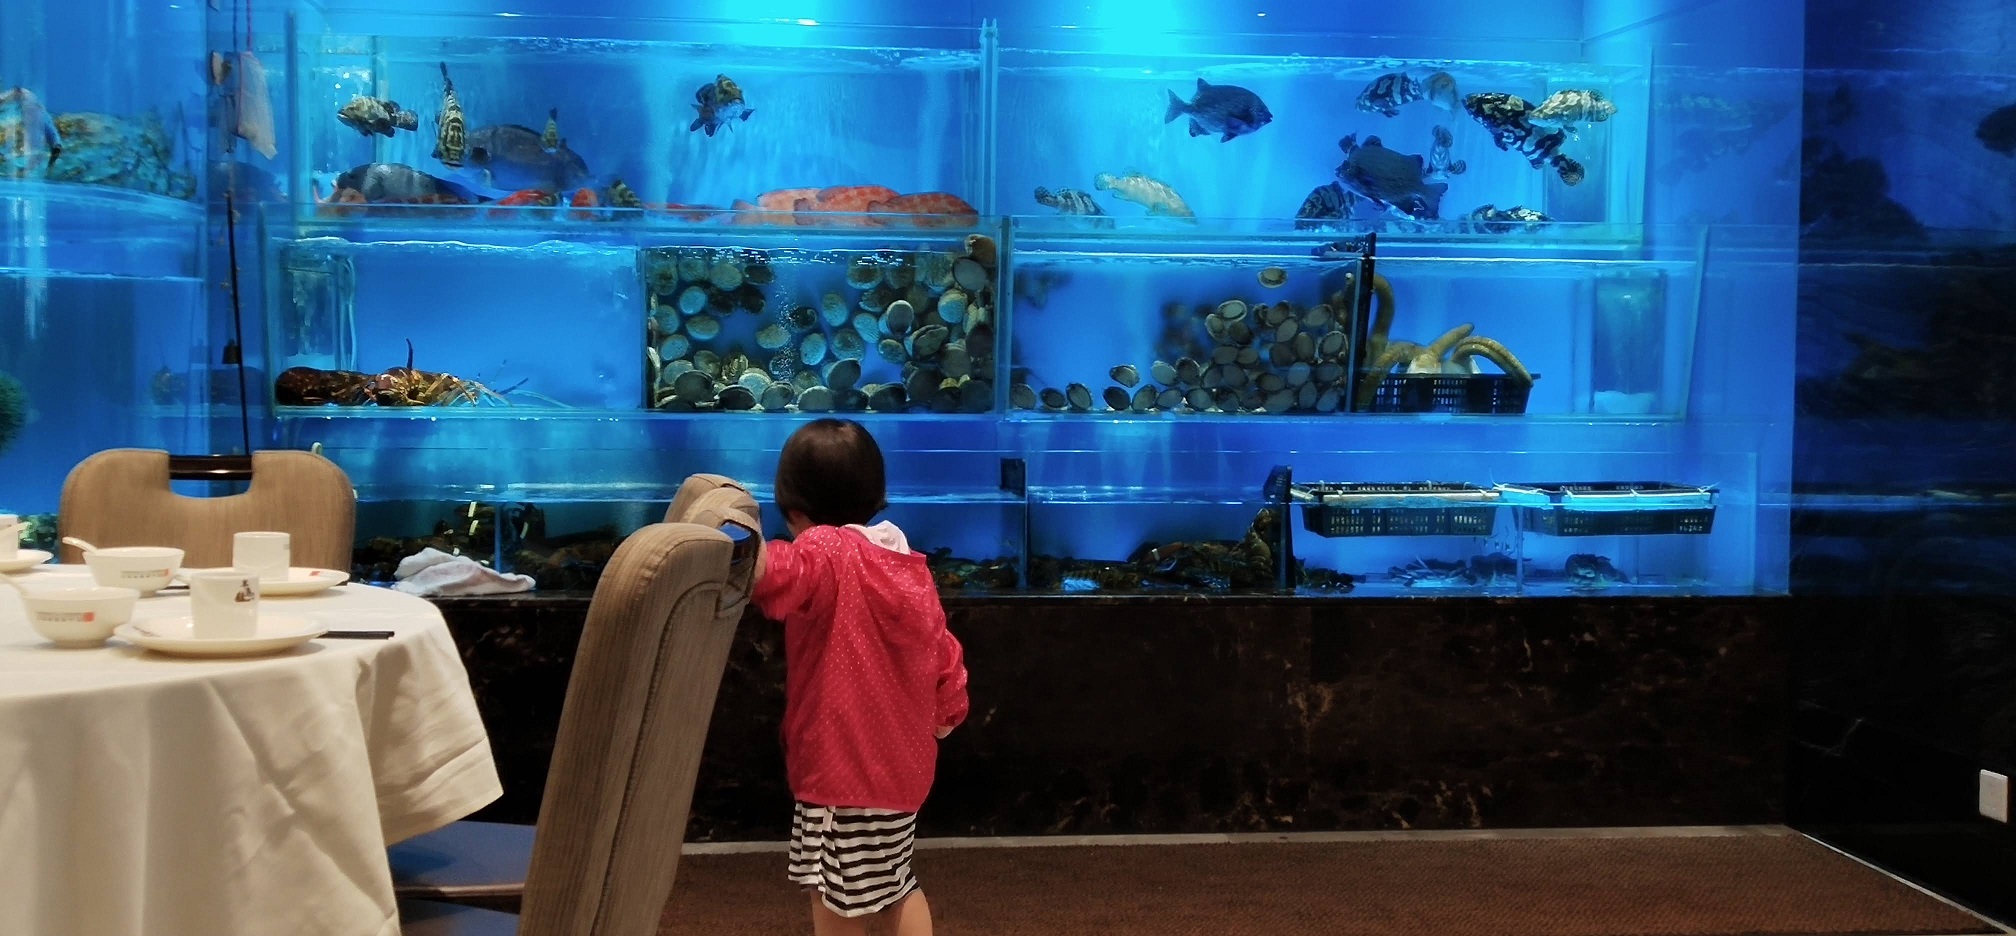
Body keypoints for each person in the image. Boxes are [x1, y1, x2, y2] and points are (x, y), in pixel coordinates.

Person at [750, 418, 969, 936]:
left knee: (834, 895)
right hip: (902, 768)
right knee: (896, 885)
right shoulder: (903, 558)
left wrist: (730, 537)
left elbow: (777, 576)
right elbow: (944, 650)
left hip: (845, 769)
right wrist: (946, 713)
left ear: (796, 511)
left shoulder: (825, 549)